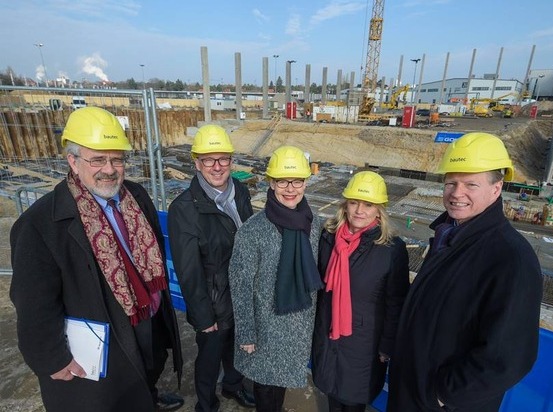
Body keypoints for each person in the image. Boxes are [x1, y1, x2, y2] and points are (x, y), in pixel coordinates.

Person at [10, 107, 183, 412]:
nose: (110, 169)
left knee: (148, 369)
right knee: (115, 397)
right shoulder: (40, 225)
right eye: (98, 160)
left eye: (117, 159)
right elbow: (34, 304)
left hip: (146, 317)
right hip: (104, 337)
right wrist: (51, 358)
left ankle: (149, 395)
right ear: (73, 162)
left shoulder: (136, 196)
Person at [388, 132, 542, 412]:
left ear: (496, 188)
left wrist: (442, 394)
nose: (457, 193)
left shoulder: (511, 259)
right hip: (412, 389)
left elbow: (507, 357)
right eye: (451, 183)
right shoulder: (449, 236)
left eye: (471, 184)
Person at [228, 145, 323, 412]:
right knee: (267, 389)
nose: (290, 188)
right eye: (282, 181)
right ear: (271, 183)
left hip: (300, 325)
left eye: (297, 181)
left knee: (280, 386)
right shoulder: (253, 230)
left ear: (305, 183)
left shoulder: (314, 224)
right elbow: (241, 284)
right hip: (266, 328)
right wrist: (246, 332)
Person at [167, 125, 255, 411]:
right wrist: (204, 317)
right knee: (209, 357)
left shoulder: (240, 191)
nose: (217, 167)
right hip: (214, 303)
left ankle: (233, 386)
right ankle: (205, 405)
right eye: (208, 160)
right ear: (197, 163)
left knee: (237, 348)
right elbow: (189, 272)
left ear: (231, 160)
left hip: (240, 295)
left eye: (223, 159)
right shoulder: (185, 209)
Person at [311, 171, 409, 412]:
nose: (359, 211)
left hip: (364, 345)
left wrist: (387, 346)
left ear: (380, 210)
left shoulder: (391, 249)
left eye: (368, 205)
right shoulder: (328, 237)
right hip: (328, 336)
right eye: (354, 202)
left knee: (353, 403)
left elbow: (396, 302)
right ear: (345, 205)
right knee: (332, 398)